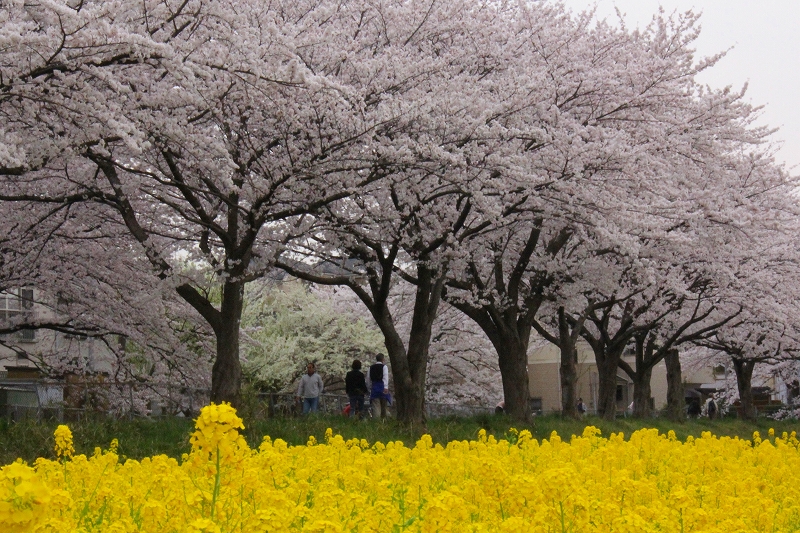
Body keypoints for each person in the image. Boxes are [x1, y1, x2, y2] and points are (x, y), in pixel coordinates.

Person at [368, 354, 389, 419]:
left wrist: (369, 387)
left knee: (376, 406)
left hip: (374, 387)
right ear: (383, 359)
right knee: (384, 406)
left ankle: (376, 420)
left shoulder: (370, 367)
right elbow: (385, 377)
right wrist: (386, 387)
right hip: (382, 387)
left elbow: (368, 379)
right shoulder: (384, 367)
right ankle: (384, 420)